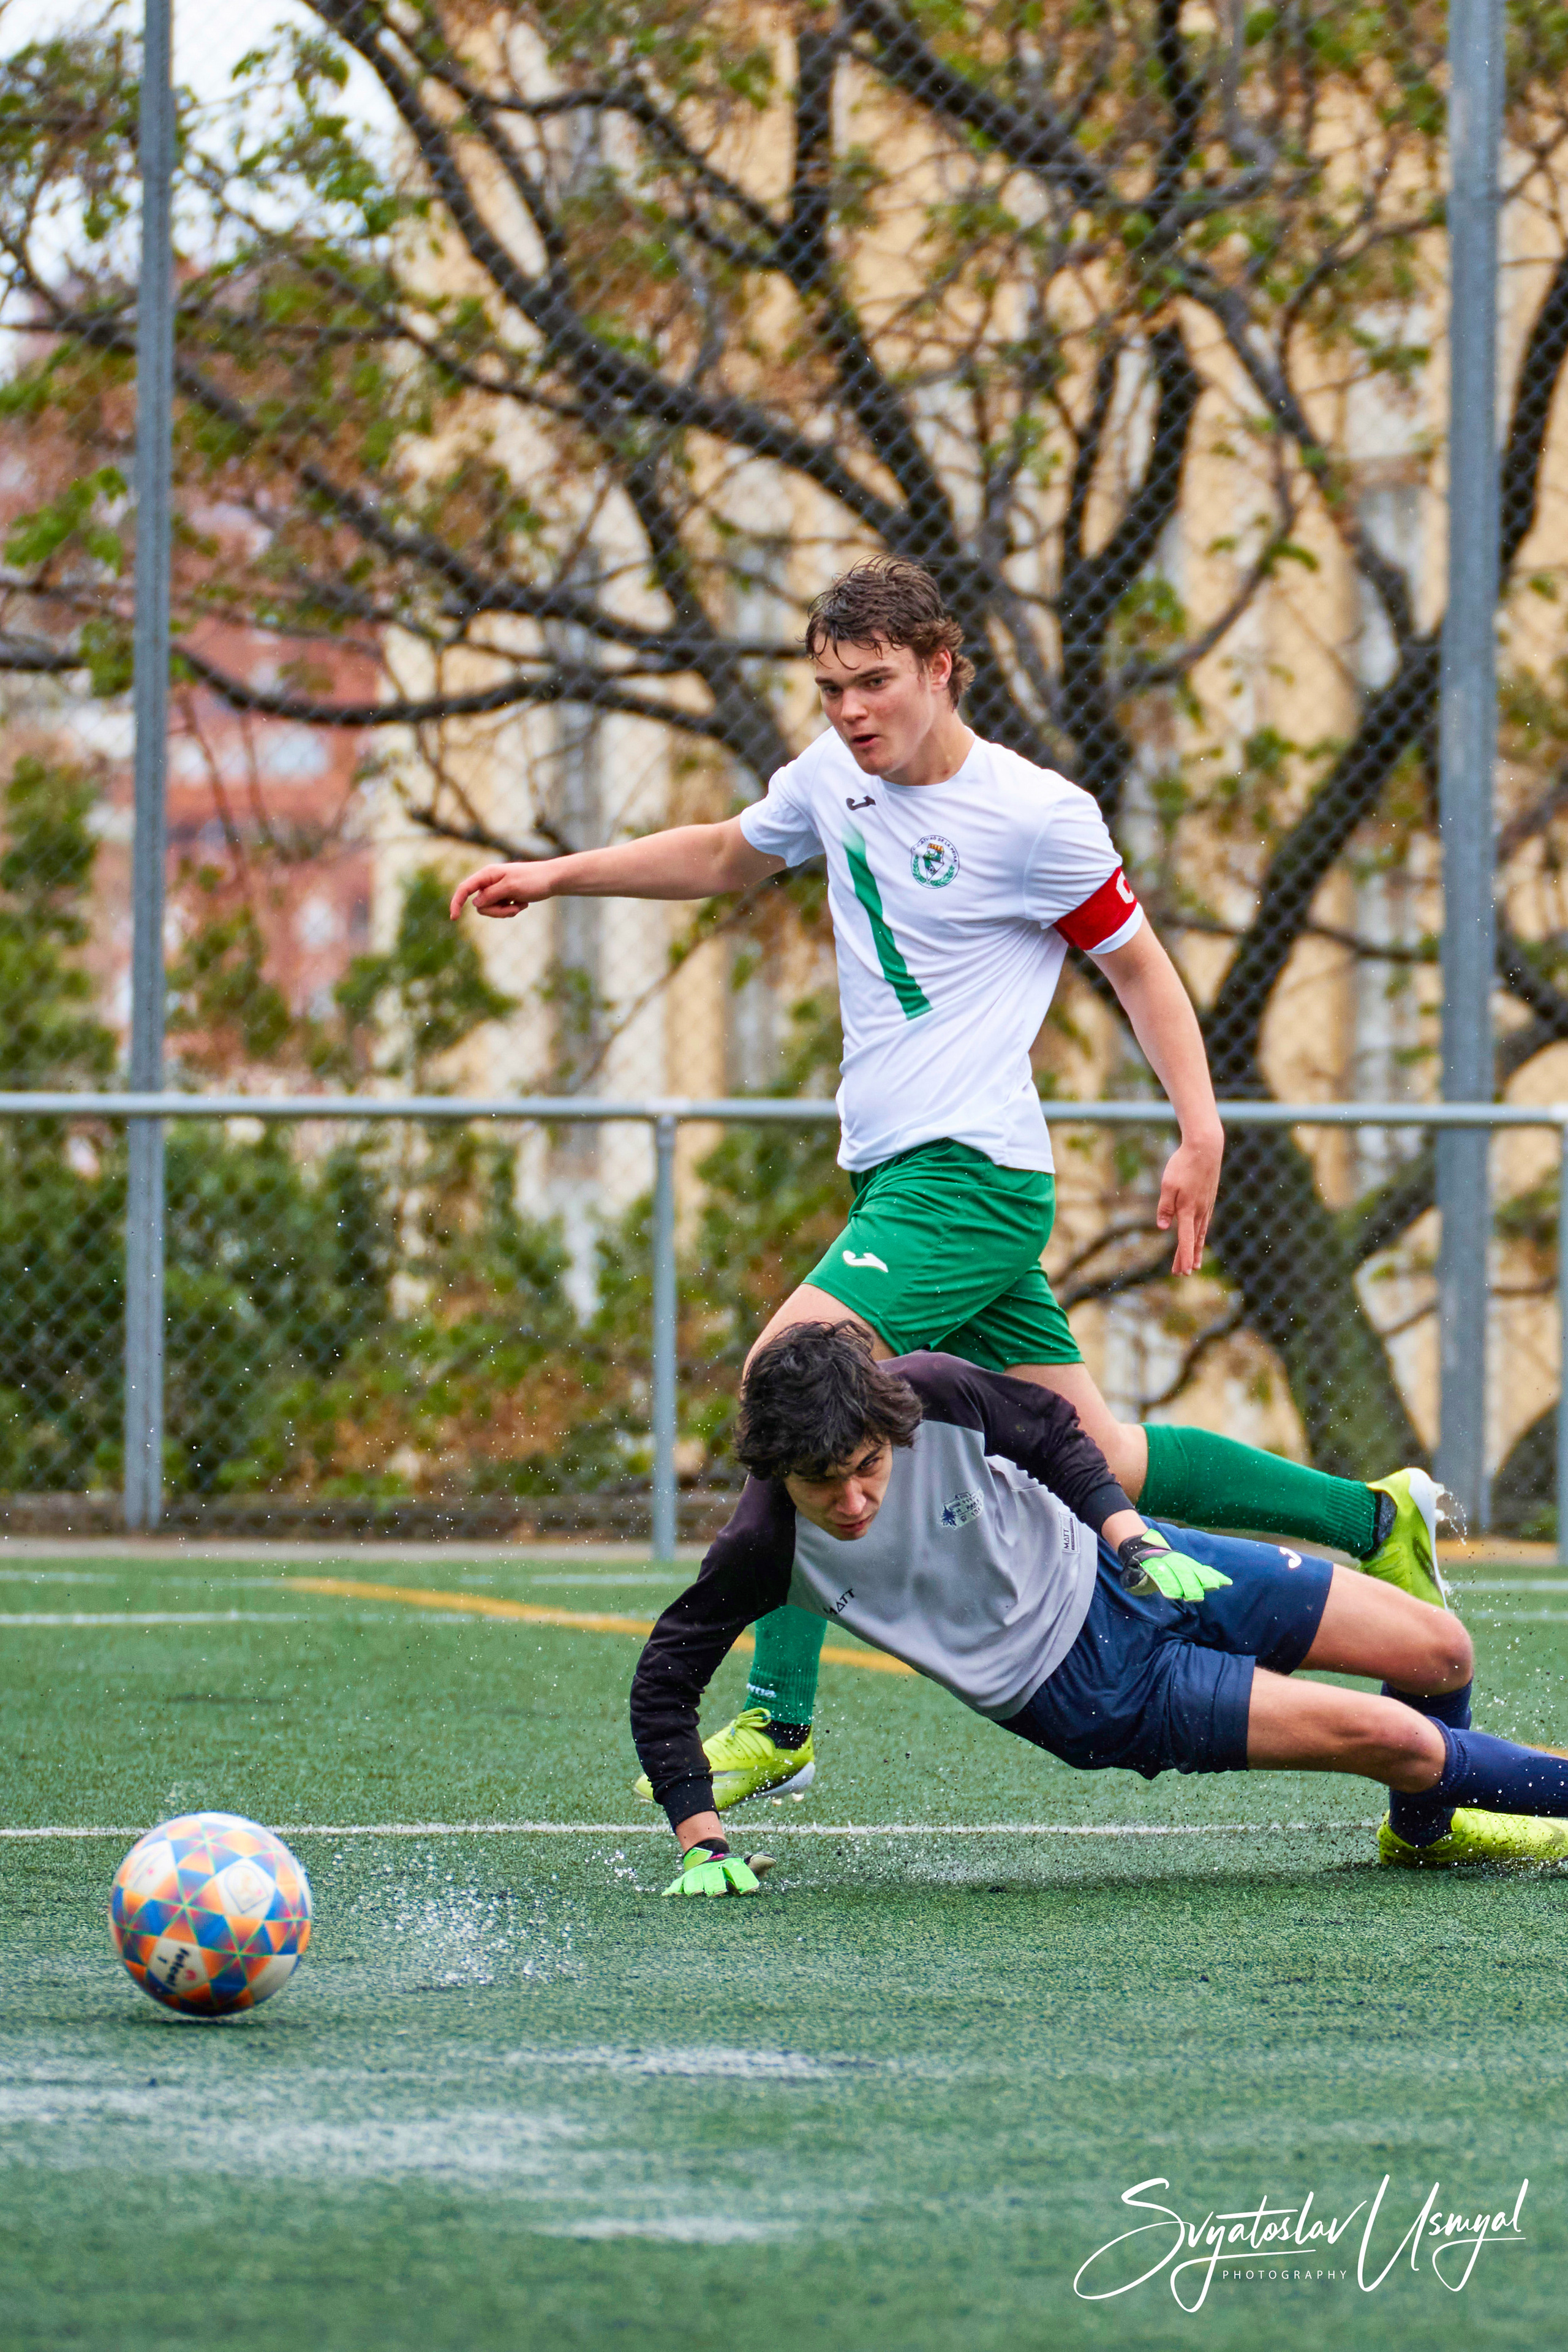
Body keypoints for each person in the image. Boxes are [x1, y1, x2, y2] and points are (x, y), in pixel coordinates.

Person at [452, 557, 1449, 1810]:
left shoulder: (1034, 816)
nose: (849, 711)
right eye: (828, 688)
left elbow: (1138, 972)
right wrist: (555, 875)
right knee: (1098, 1450)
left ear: (939, 669)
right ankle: (1372, 1519)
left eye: (873, 683)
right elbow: (720, 852)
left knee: (792, 1383)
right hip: (904, 1184)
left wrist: (1200, 1130)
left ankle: (779, 1716)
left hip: (965, 1180)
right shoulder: (830, 779)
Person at [631, 1324, 1568, 1896]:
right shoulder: (762, 1549)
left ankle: (1426, 1834)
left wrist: (1130, 1536)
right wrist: (700, 1836)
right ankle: (1457, 1795)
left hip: (1138, 1564)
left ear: (889, 1429)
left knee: (1438, 1652)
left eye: (868, 1469)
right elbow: (664, 1681)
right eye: (819, 1484)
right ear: (772, 1468)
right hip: (1088, 1687)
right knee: (1397, 1741)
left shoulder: (928, 1391)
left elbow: (1052, 1433)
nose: (852, 1502)